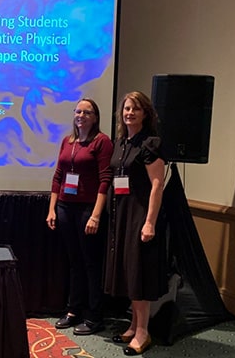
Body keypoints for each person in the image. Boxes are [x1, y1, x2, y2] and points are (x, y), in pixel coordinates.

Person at [105, 91, 167, 356]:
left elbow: (157, 184)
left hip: (140, 216)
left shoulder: (150, 143)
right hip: (121, 214)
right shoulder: (120, 142)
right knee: (129, 272)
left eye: (136, 109)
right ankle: (133, 326)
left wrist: (150, 222)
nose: (129, 113)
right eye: (127, 109)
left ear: (145, 114)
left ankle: (143, 333)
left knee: (139, 274)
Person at [47, 98, 113, 336]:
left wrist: (95, 216)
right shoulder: (68, 141)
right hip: (65, 207)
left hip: (88, 209)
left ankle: (94, 316)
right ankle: (73, 310)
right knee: (75, 263)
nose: (81, 115)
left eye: (87, 112)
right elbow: (58, 176)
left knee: (91, 264)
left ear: (95, 117)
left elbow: (105, 180)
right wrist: (52, 209)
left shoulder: (102, 142)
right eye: (78, 111)